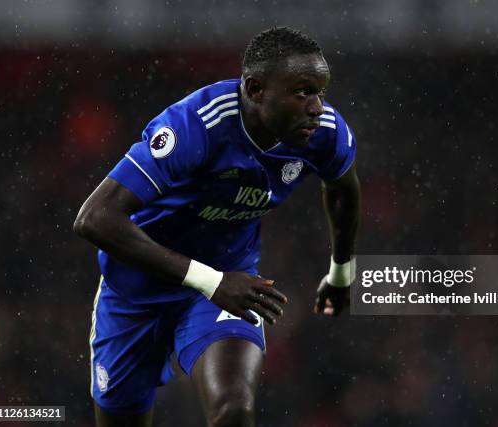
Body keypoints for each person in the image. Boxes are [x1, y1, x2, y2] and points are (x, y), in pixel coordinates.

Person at [74, 26, 361, 427]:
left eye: (321, 92)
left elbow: (343, 191)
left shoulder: (324, 133)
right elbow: (95, 218)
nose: (317, 107)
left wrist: (340, 273)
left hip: (227, 283)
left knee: (233, 409)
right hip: (136, 291)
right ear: (256, 89)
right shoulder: (196, 125)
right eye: (302, 91)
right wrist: (209, 280)